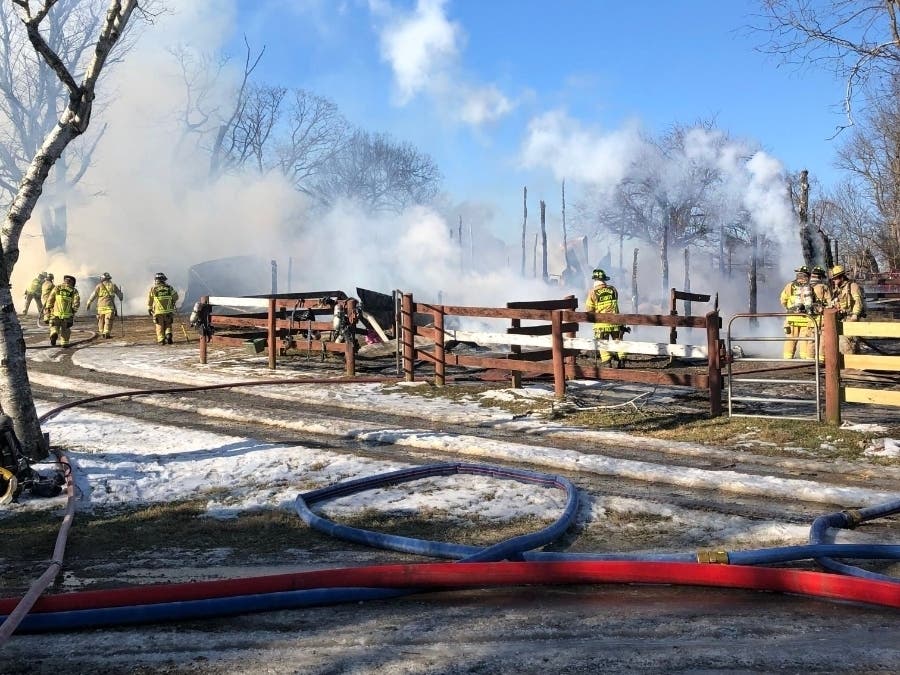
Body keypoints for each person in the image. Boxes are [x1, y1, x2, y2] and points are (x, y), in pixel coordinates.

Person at [585, 268, 627, 367]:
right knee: (618, 340)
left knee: (602, 342)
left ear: (595, 280)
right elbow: (615, 301)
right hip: (616, 321)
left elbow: (589, 309)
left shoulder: (592, 292)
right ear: (604, 279)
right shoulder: (613, 289)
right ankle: (622, 360)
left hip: (601, 323)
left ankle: (607, 362)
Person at [779, 265, 815, 359]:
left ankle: (787, 360)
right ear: (808, 276)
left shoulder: (789, 286)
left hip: (792, 318)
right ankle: (805, 360)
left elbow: (783, 299)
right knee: (805, 340)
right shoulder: (811, 286)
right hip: (806, 319)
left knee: (790, 339)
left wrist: (789, 308)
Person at [830, 264, 866, 355]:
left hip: (851, 318)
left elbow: (858, 301)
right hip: (842, 318)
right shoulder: (837, 290)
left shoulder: (852, 286)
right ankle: (856, 363)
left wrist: (855, 315)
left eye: (835, 278)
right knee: (851, 342)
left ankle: (850, 365)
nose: (833, 280)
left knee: (847, 343)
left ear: (841, 277)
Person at [42, 275, 80, 347]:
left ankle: (54, 333)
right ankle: (64, 343)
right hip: (67, 315)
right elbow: (76, 302)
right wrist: (74, 311)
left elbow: (50, 299)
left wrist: (48, 308)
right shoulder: (74, 291)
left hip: (55, 313)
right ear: (72, 282)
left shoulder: (57, 287)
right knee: (65, 330)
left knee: (54, 325)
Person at [806, 265, 833, 360]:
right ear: (821, 276)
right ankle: (822, 359)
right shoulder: (823, 287)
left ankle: (809, 358)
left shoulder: (806, 287)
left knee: (811, 339)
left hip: (810, 318)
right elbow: (830, 302)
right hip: (821, 317)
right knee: (822, 339)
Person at [86, 272, 124, 339]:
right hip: (109, 307)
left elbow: (93, 295)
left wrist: (89, 303)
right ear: (109, 278)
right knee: (108, 320)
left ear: (102, 279)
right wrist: (121, 296)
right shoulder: (113, 285)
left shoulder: (99, 285)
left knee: (100, 320)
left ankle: (101, 332)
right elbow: (119, 295)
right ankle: (106, 333)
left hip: (100, 308)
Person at [147, 272, 179, 345]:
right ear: (164, 280)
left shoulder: (153, 289)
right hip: (168, 311)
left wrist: (149, 307)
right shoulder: (169, 288)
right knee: (168, 324)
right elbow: (176, 297)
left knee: (159, 326)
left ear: (156, 280)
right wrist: (172, 300)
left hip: (158, 312)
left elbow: (150, 299)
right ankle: (168, 334)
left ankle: (161, 340)